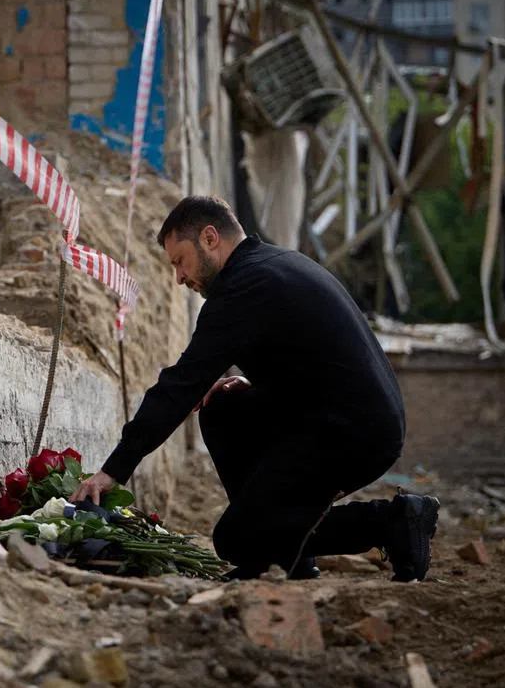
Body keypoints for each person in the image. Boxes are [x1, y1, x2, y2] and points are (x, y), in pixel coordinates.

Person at [71, 195, 441, 582]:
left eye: (180, 260)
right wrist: (264, 385)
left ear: (210, 238)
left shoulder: (244, 286)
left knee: (237, 540)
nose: (179, 278)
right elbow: (317, 361)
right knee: (223, 406)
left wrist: (113, 471)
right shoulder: (272, 265)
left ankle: (393, 520)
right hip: (340, 417)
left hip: (355, 432)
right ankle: (285, 550)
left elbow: (180, 385)